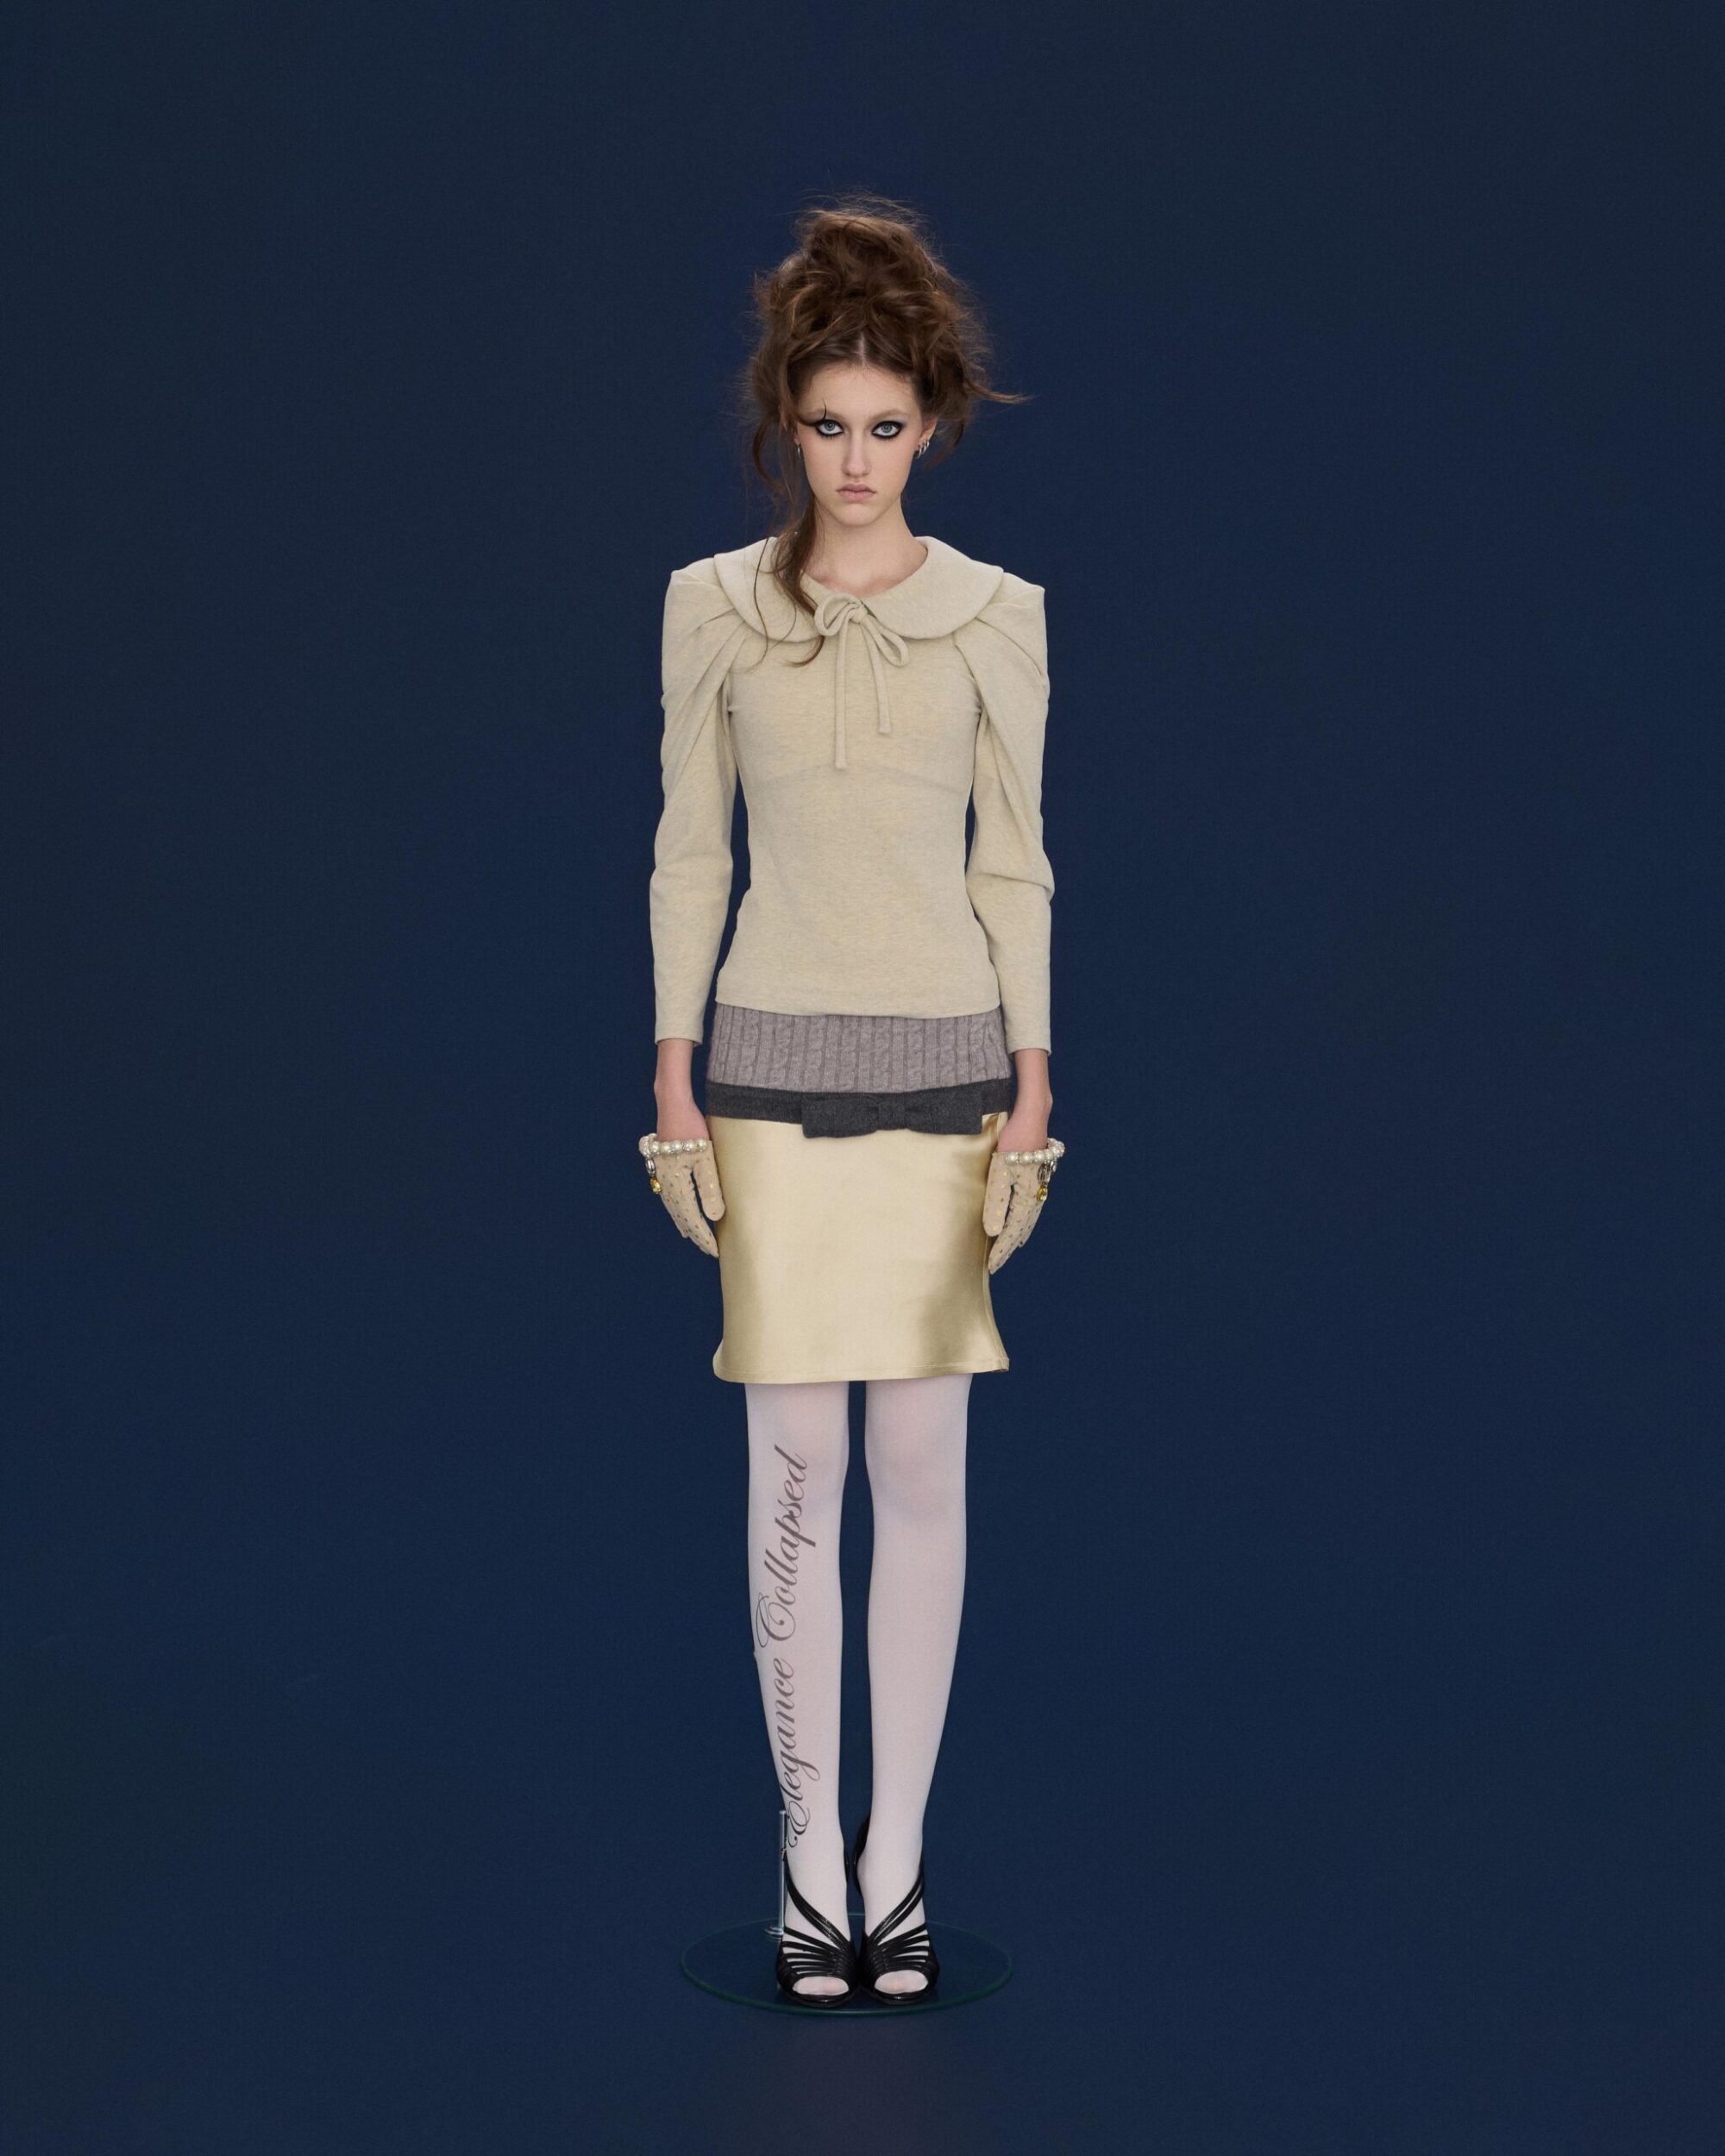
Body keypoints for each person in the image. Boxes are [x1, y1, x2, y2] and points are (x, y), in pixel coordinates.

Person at [638, 194, 1066, 2007]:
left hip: (949, 1076)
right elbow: (688, 853)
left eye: (888, 423)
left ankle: (899, 1859)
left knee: (921, 1464)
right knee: (794, 1465)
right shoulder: (713, 609)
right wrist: (673, 1082)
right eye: (829, 423)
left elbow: (1014, 863)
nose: (859, 457)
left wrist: (1032, 1090)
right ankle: (810, 1861)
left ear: (933, 421)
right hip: (765, 1076)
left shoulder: (995, 615)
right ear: (785, 423)